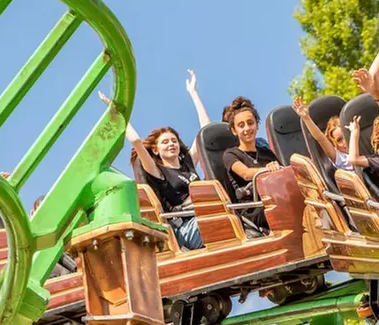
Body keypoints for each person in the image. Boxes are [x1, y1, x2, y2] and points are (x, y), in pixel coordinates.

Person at [111, 69, 211, 250]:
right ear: (156, 150)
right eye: (165, 142)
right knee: (215, 223)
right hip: (186, 226)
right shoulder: (159, 173)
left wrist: (193, 93)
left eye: (174, 141)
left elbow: (206, 131)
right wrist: (118, 113)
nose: (171, 144)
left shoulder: (188, 162)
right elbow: (136, 141)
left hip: (205, 213)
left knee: (228, 216)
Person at [222, 97, 280, 230]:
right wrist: (268, 169)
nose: (247, 128)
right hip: (253, 209)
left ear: (257, 125)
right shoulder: (230, 154)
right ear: (234, 130)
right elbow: (246, 173)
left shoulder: (267, 153)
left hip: (275, 199)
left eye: (250, 123)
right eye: (241, 125)